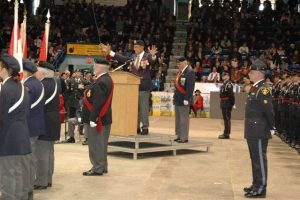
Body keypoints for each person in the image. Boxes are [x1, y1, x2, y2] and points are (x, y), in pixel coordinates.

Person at [99, 40, 157, 135]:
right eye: (134, 47)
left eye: (137, 47)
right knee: (135, 108)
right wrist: (110, 52)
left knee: (143, 108)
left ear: (142, 47)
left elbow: (153, 61)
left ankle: (145, 127)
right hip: (133, 86)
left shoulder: (147, 56)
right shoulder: (133, 57)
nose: (135, 49)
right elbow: (122, 58)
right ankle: (136, 126)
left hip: (143, 86)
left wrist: (153, 55)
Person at [0, 54, 31, 199]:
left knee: (7, 174)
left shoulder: (5, 89)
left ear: (5, 70)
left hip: (8, 137)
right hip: (21, 135)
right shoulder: (22, 87)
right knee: (17, 171)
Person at [243, 59, 275, 198]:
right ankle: (256, 183)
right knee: (254, 158)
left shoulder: (264, 88)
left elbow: (269, 110)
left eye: (252, 71)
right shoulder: (255, 87)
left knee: (260, 159)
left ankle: (261, 188)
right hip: (252, 129)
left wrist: (272, 126)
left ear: (260, 73)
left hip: (259, 129)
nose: (249, 74)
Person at [82, 58, 114, 176]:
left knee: (96, 144)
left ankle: (97, 168)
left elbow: (98, 102)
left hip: (97, 118)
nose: (93, 68)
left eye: (95, 66)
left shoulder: (101, 81)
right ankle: (102, 166)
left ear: (100, 68)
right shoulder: (106, 79)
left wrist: (92, 118)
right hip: (104, 117)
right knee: (101, 144)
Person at [34, 61, 60, 190]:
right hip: (52, 121)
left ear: (43, 73)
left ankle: (41, 181)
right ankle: (48, 178)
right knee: (49, 152)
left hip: (44, 121)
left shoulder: (43, 85)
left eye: (37, 71)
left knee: (41, 153)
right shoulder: (54, 82)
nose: (35, 73)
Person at [23, 59, 46, 199]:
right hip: (35, 124)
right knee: (30, 159)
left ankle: (27, 188)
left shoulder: (29, 85)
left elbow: (25, 106)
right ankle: (29, 186)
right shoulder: (38, 83)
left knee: (27, 160)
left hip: (29, 125)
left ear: (25, 71)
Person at [173, 57, 195, 143]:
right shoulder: (180, 72)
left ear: (185, 62)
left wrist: (186, 98)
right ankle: (179, 135)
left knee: (183, 119)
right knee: (178, 119)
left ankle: (184, 137)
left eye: (180, 64)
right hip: (178, 98)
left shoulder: (189, 72)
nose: (179, 65)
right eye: (178, 64)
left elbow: (190, 87)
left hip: (184, 99)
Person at [218, 71, 235, 139]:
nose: (223, 76)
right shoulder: (224, 84)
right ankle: (226, 132)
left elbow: (231, 95)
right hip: (223, 102)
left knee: (227, 119)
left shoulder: (229, 84)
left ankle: (226, 134)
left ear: (228, 76)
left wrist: (232, 103)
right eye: (223, 75)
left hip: (227, 103)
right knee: (225, 119)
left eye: (225, 75)